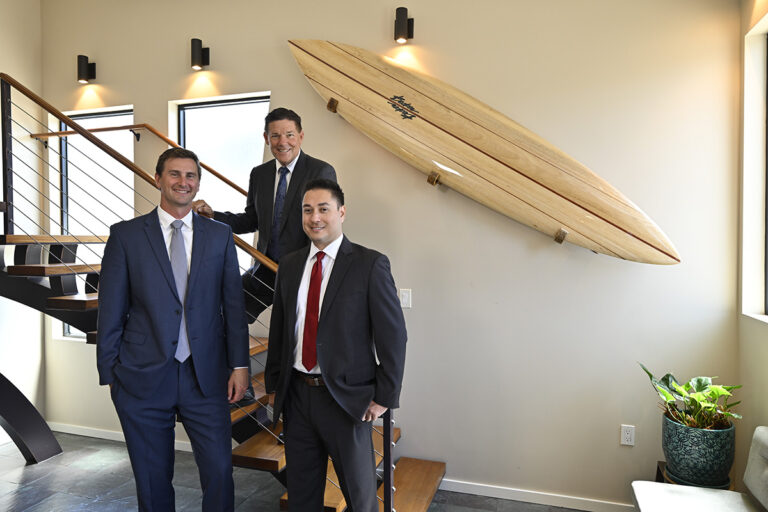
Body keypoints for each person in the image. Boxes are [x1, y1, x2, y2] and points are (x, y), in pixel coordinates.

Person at [97, 147, 249, 512]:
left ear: (198, 182)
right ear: (158, 179)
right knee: (152, 479)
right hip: (142, 376)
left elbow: (233, 305)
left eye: (191, 176)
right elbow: (111, 310)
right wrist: (111, 373)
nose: (184, 182)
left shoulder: (219, 235)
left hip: (206, 375)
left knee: (219, 472)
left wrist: (240, 366)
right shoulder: (126, 236)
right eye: (175, 174)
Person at [265, 179, 407, 511]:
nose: (315, 218)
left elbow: (393, 335)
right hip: (297, 397)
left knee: (360, 497)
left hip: (346, 400)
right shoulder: (289, 264)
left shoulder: (369, 264)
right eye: (307, 210)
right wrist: (274, 384)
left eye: (324, 209)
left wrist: (385, 395)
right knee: (302, 495)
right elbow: (281, 329)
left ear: (341, 212)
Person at [192, 107, 337, 325]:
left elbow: (326, 227)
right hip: (264, 267)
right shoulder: (259, 174)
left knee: (291, 334)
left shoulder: (320, 171)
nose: (282, 142)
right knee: (226, 310)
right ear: (266, 138)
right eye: (275, 135)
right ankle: (233, 360)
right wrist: (213, 215)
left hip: (302, 271)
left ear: (300, 136)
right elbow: (251, 220)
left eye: (289, 134)